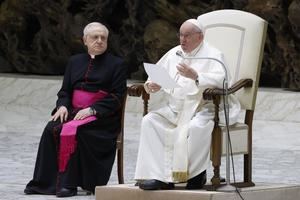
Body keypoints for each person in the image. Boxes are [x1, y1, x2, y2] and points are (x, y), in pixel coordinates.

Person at [134, 18, 241, 190]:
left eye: (187, 36)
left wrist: (197, 76)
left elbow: (224, 81)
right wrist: (152, 85)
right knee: (150, 121)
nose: (182, 40)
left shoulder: (214, 55)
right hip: (176, 108)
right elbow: (156, 74)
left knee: (196, 128)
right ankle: (159, 176)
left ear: (200, 37)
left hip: (203, 108)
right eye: (181, 35)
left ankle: (196, 176)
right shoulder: (175, 53)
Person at [24, 22, 127, 197]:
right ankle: (46, 183)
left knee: (77, 131)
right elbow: (65, 91)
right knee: (51, 129)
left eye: (103, 38)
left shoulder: (117, 64)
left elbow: (117, 96)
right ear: (85, 40)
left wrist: (93, 109)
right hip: (72, 111)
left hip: (102, 117)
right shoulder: (74, 61)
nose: (100, 41)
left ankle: (69, 185)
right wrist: (62, 105)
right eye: (95, 37)